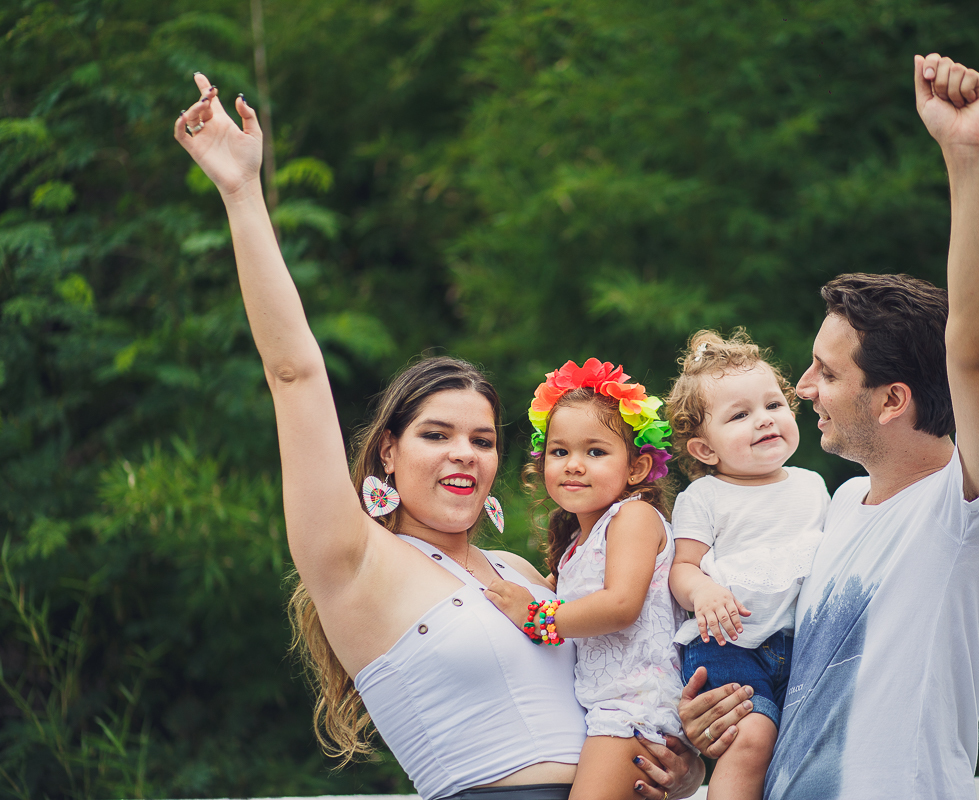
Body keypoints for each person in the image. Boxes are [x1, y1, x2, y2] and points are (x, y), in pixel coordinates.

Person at [173, 74, 703, 800]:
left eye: (483, 440)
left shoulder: (526, 574)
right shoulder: (356, 559)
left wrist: (678, 772)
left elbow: (621, 680)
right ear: (388, 451)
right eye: (437, 434)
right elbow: (293, 372)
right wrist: (240, 192)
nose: (465, 453)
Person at [678, 54, 979, 800]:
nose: (803, 387)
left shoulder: (975, 507)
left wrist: (967, 157)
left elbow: (978, 351)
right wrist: (702, 742)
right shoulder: (833, 509)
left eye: (827, 371)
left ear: (893, 401)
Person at [485, 358, 688, 800]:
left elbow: (620, 606)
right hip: (606, 710)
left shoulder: (633, 517)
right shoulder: (580, 540)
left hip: (635, 709)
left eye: (595, 452)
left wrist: (535, 617)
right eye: (560, 451)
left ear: (636, 468)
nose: (574, 464)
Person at [663, 330, 829, 800]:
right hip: (725, 643)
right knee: (750, 738)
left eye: (774, 406)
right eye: (740, 415)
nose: (764, 420)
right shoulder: (705, 497)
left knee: (797, 745)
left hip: (795, 644)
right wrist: (704, 593)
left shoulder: (813, 486)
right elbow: (683, 568)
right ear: (705, 450)